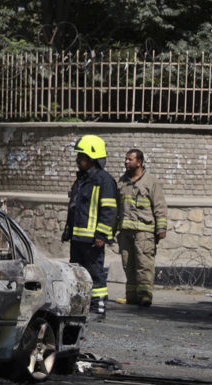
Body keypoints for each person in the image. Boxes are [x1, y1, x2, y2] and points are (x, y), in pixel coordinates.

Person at [62, 135, 118, 317]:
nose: (78, 160)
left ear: (92, 158)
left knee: (95, 274)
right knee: (77, 274)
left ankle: (98, 307)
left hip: (93, 239)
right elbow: (75, 208)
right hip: (78, 238)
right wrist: (68, 231)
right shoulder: (81, 180)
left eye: (82, 156)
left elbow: (109, 211)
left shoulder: (104, 181)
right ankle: (80, 306)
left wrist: (101, 235)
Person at [116, 149, 167, 307]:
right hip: (125, 231)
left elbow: (160, 206)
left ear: (139, 162)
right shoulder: (122, 182)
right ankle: (131, 296)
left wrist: (161, 227)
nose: (126, 162)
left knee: (144, 265)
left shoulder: (151, 182)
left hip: (144, 232)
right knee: (128, 264)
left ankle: (145, 296)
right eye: (125, 159)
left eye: (129, 159)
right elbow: (117, 207)